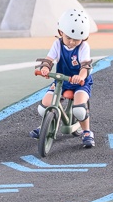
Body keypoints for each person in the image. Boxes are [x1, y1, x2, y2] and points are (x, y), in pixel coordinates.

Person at [29, 9, 96, 149]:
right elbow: (49, 59)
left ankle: (87, 132)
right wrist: (45, 68)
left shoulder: (84, 47)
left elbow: (85, 66)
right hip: (61, 81)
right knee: (44, 106)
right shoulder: (57, 44)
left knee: (80, 110)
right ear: (61, 32)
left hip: (80, 84)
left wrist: (81, 77)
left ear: (83, 38)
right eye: (68, 37)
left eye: (76, 39)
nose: (71, 42)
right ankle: (46, 125)